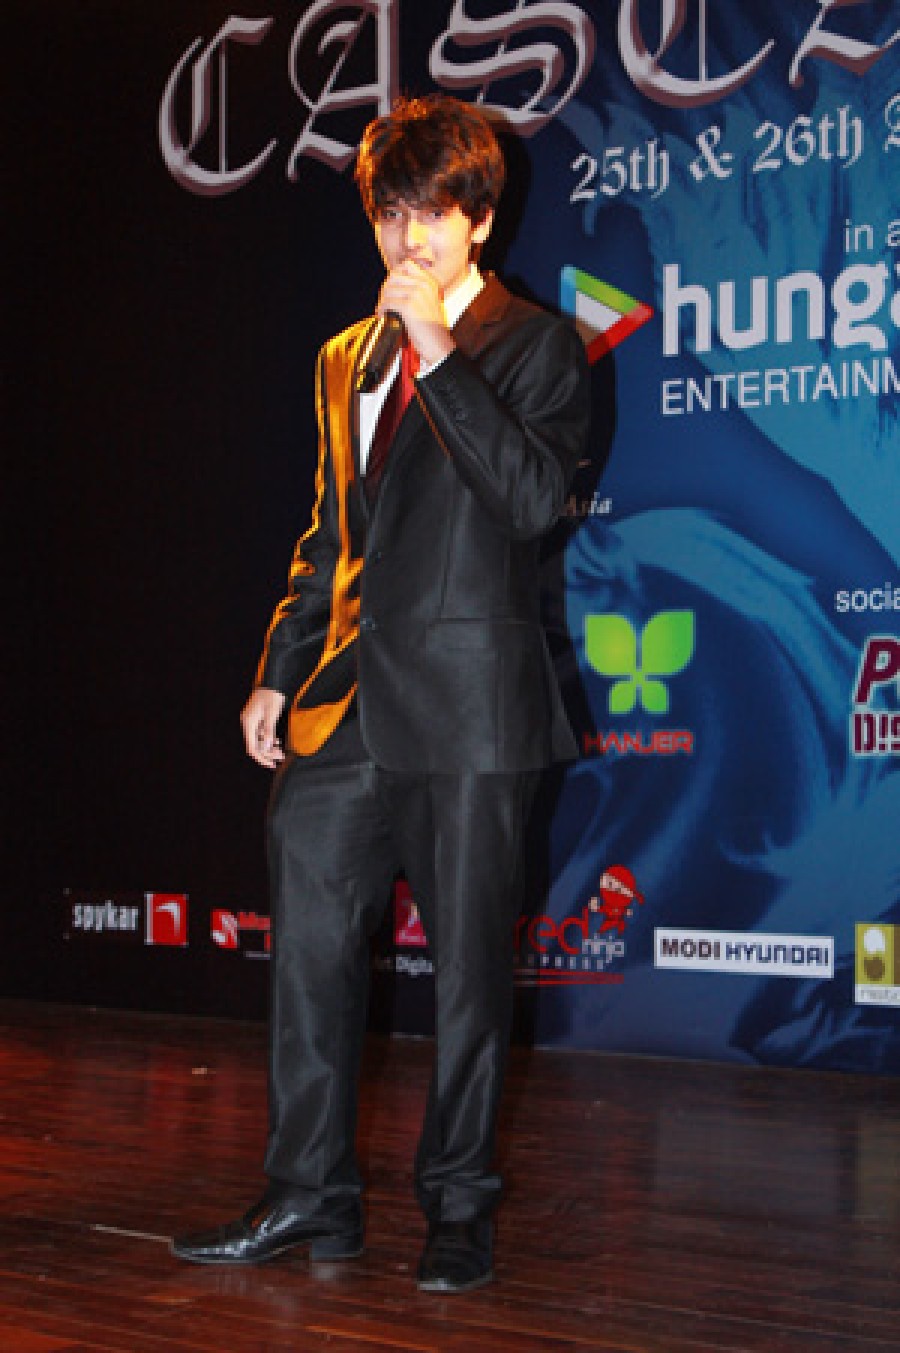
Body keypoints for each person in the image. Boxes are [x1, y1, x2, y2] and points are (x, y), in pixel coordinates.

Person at [172, 94, 590, 1293]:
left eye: (433, 213)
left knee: (468, 976)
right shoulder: (342, 359)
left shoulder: (537, 346)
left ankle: (458, 1205)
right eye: (392, 213)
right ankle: (310, 1196)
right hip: (343, 705)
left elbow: (529, 503)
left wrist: (440, 355)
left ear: (480, 220)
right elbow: (330, 540)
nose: (409, 237)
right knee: (308, 951)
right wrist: (278, 669)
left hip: (471, 708)